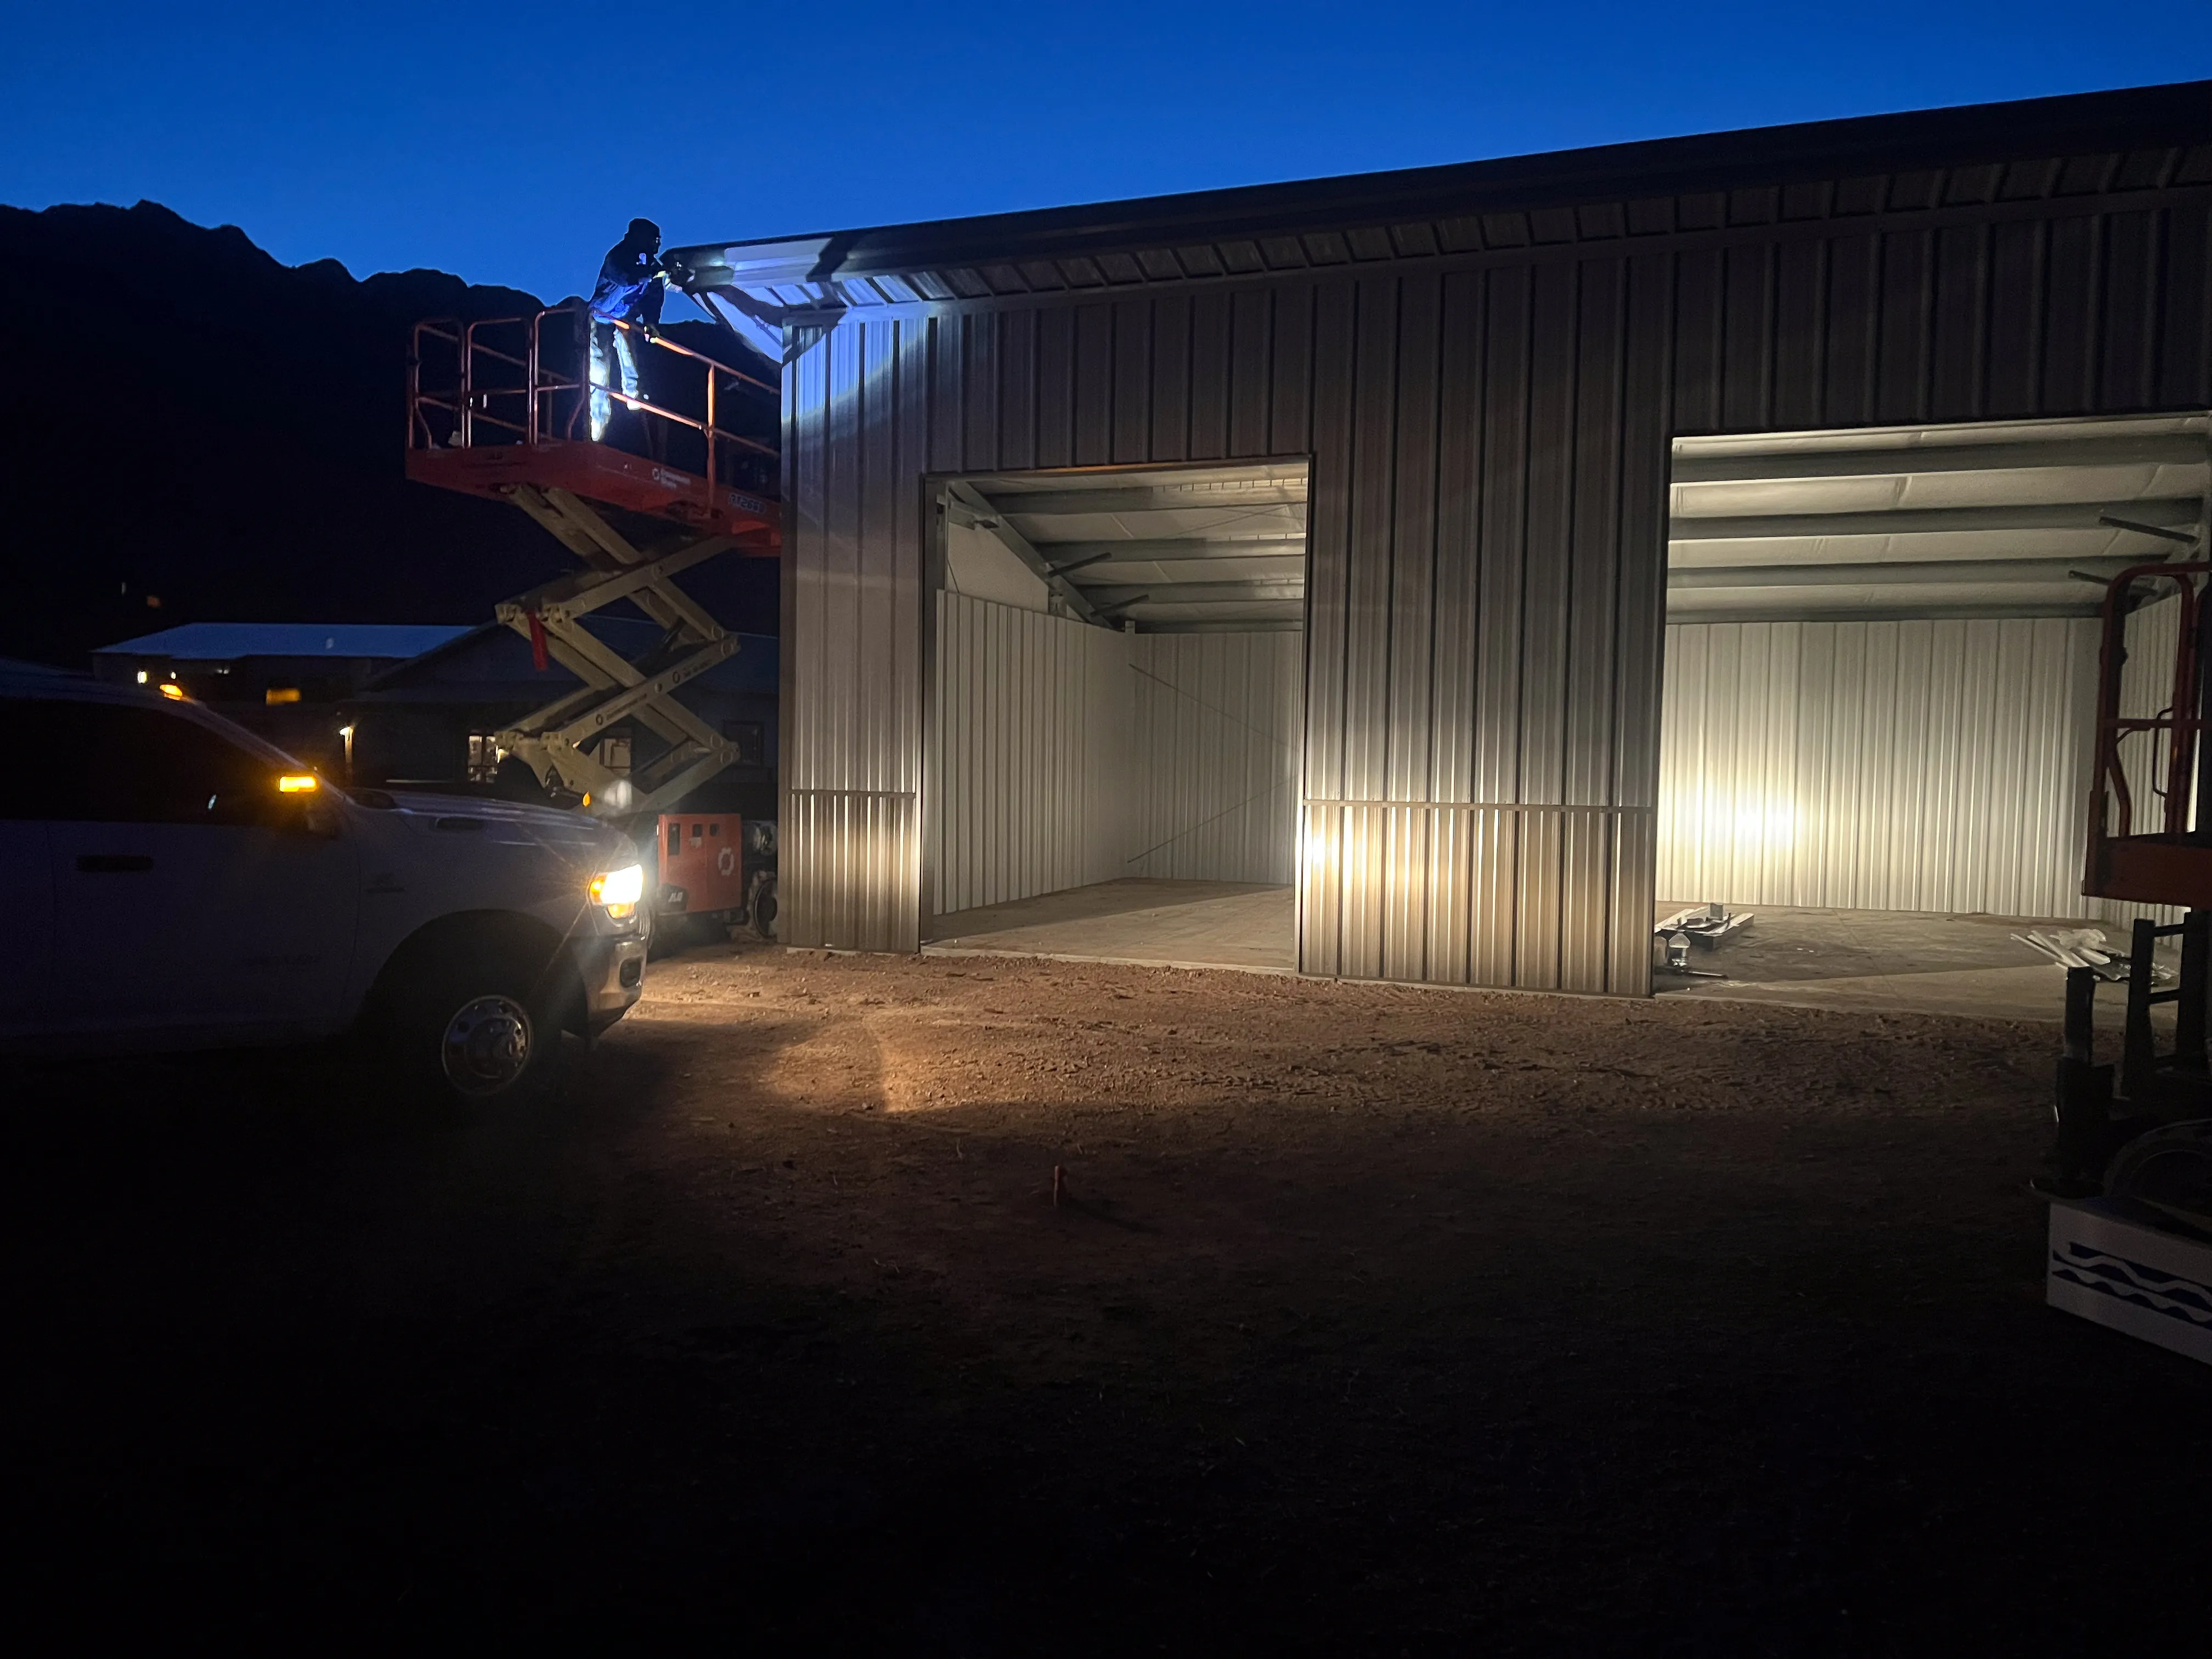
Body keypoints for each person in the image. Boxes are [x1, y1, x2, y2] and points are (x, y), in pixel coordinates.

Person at [588, 218, 667, 442]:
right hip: (601, 316)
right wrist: (651, 275)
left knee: (630, 357)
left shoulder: (649, 265)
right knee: (599, 371)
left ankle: (633, 396)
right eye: (654, 240)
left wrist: (652, 323)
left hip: (622, 316)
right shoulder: (617, 257)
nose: (656, 245)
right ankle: (597, 423)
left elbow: (654, 295)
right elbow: (625, 279)